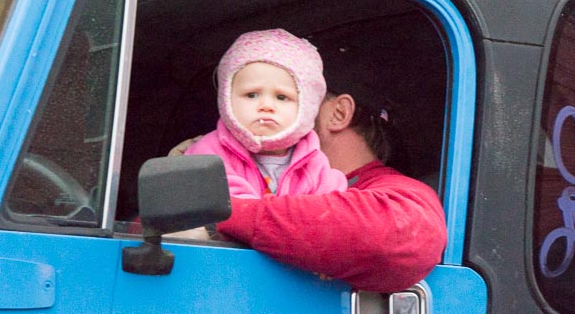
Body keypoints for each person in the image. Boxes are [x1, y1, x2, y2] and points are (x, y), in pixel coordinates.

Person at [170, 38, 447, 292]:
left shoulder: (391, 191)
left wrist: (217, 211)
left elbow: (404, 238)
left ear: (338, 113)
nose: (267, 108)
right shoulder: (216, 155)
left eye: (287, 97)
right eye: (251, 94)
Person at [184, 28, 347, 198]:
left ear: (307, 107)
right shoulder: (208, 153)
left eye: (282, 97)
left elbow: (330, 209)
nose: (266, 106)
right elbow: (216, 201)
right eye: (251, 95)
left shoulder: (314, 162)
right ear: (226, 99)